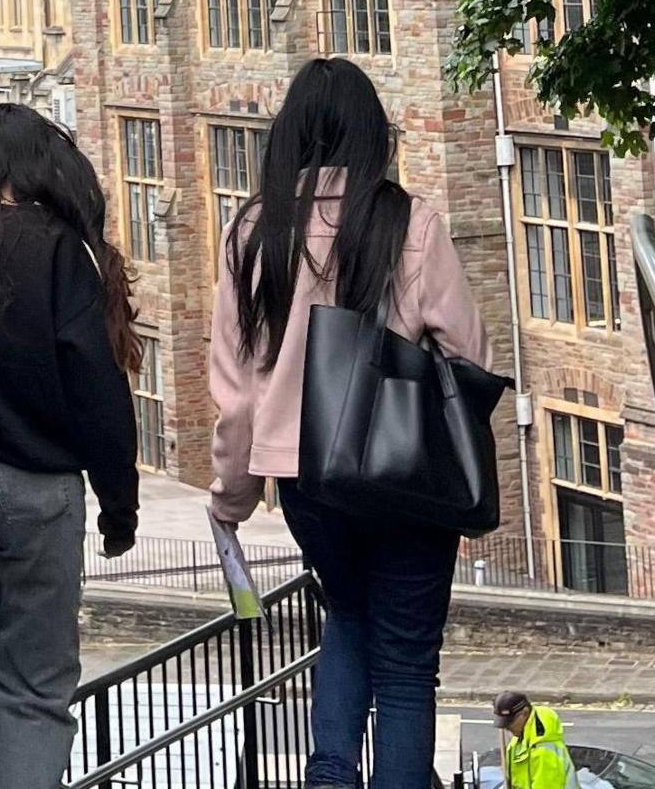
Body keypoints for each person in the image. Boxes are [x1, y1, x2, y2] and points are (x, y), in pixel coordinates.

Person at [208, 57, 490, 789]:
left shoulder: (252, 234)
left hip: (306, 480)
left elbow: (235, 397)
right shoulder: (411, 224)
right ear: (373, 136)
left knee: (349, 617)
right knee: (403, 665)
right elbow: (470, 354)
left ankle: (330, 775)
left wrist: (231, 501)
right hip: (403, 474)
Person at [0, 104, 142, 789]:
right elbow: (96, 385)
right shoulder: (60, 249)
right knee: (36, 693)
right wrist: (117, 505)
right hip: (38, 488)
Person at [496, 692, 576, 789]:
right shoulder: (521, 737)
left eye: (511, 722)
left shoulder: (544, 752)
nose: (507, 727)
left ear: (525, 713)